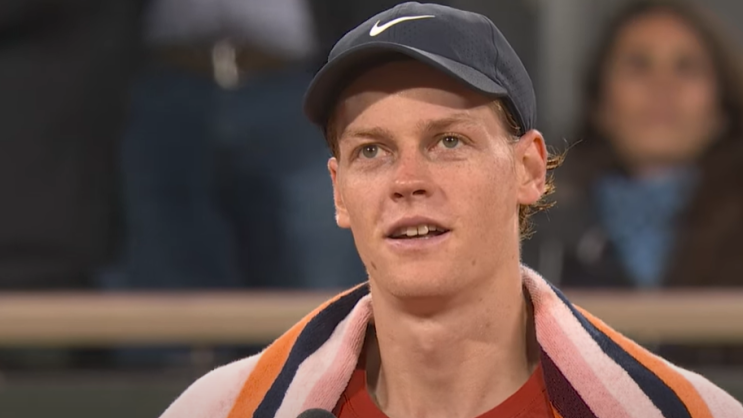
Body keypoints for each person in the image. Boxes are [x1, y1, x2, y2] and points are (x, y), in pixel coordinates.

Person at [159, 3, 743, 418]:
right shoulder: (217, 410)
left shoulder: (687, 411)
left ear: (529, 169)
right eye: (372, 151)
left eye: (448, 141)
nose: (407, 182)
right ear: (338, 192)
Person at [523, 0, 743, 290]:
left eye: (686, 67)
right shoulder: (537, 232)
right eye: (639, 65)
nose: (662, 86)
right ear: (600, 105)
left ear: (722, 109)